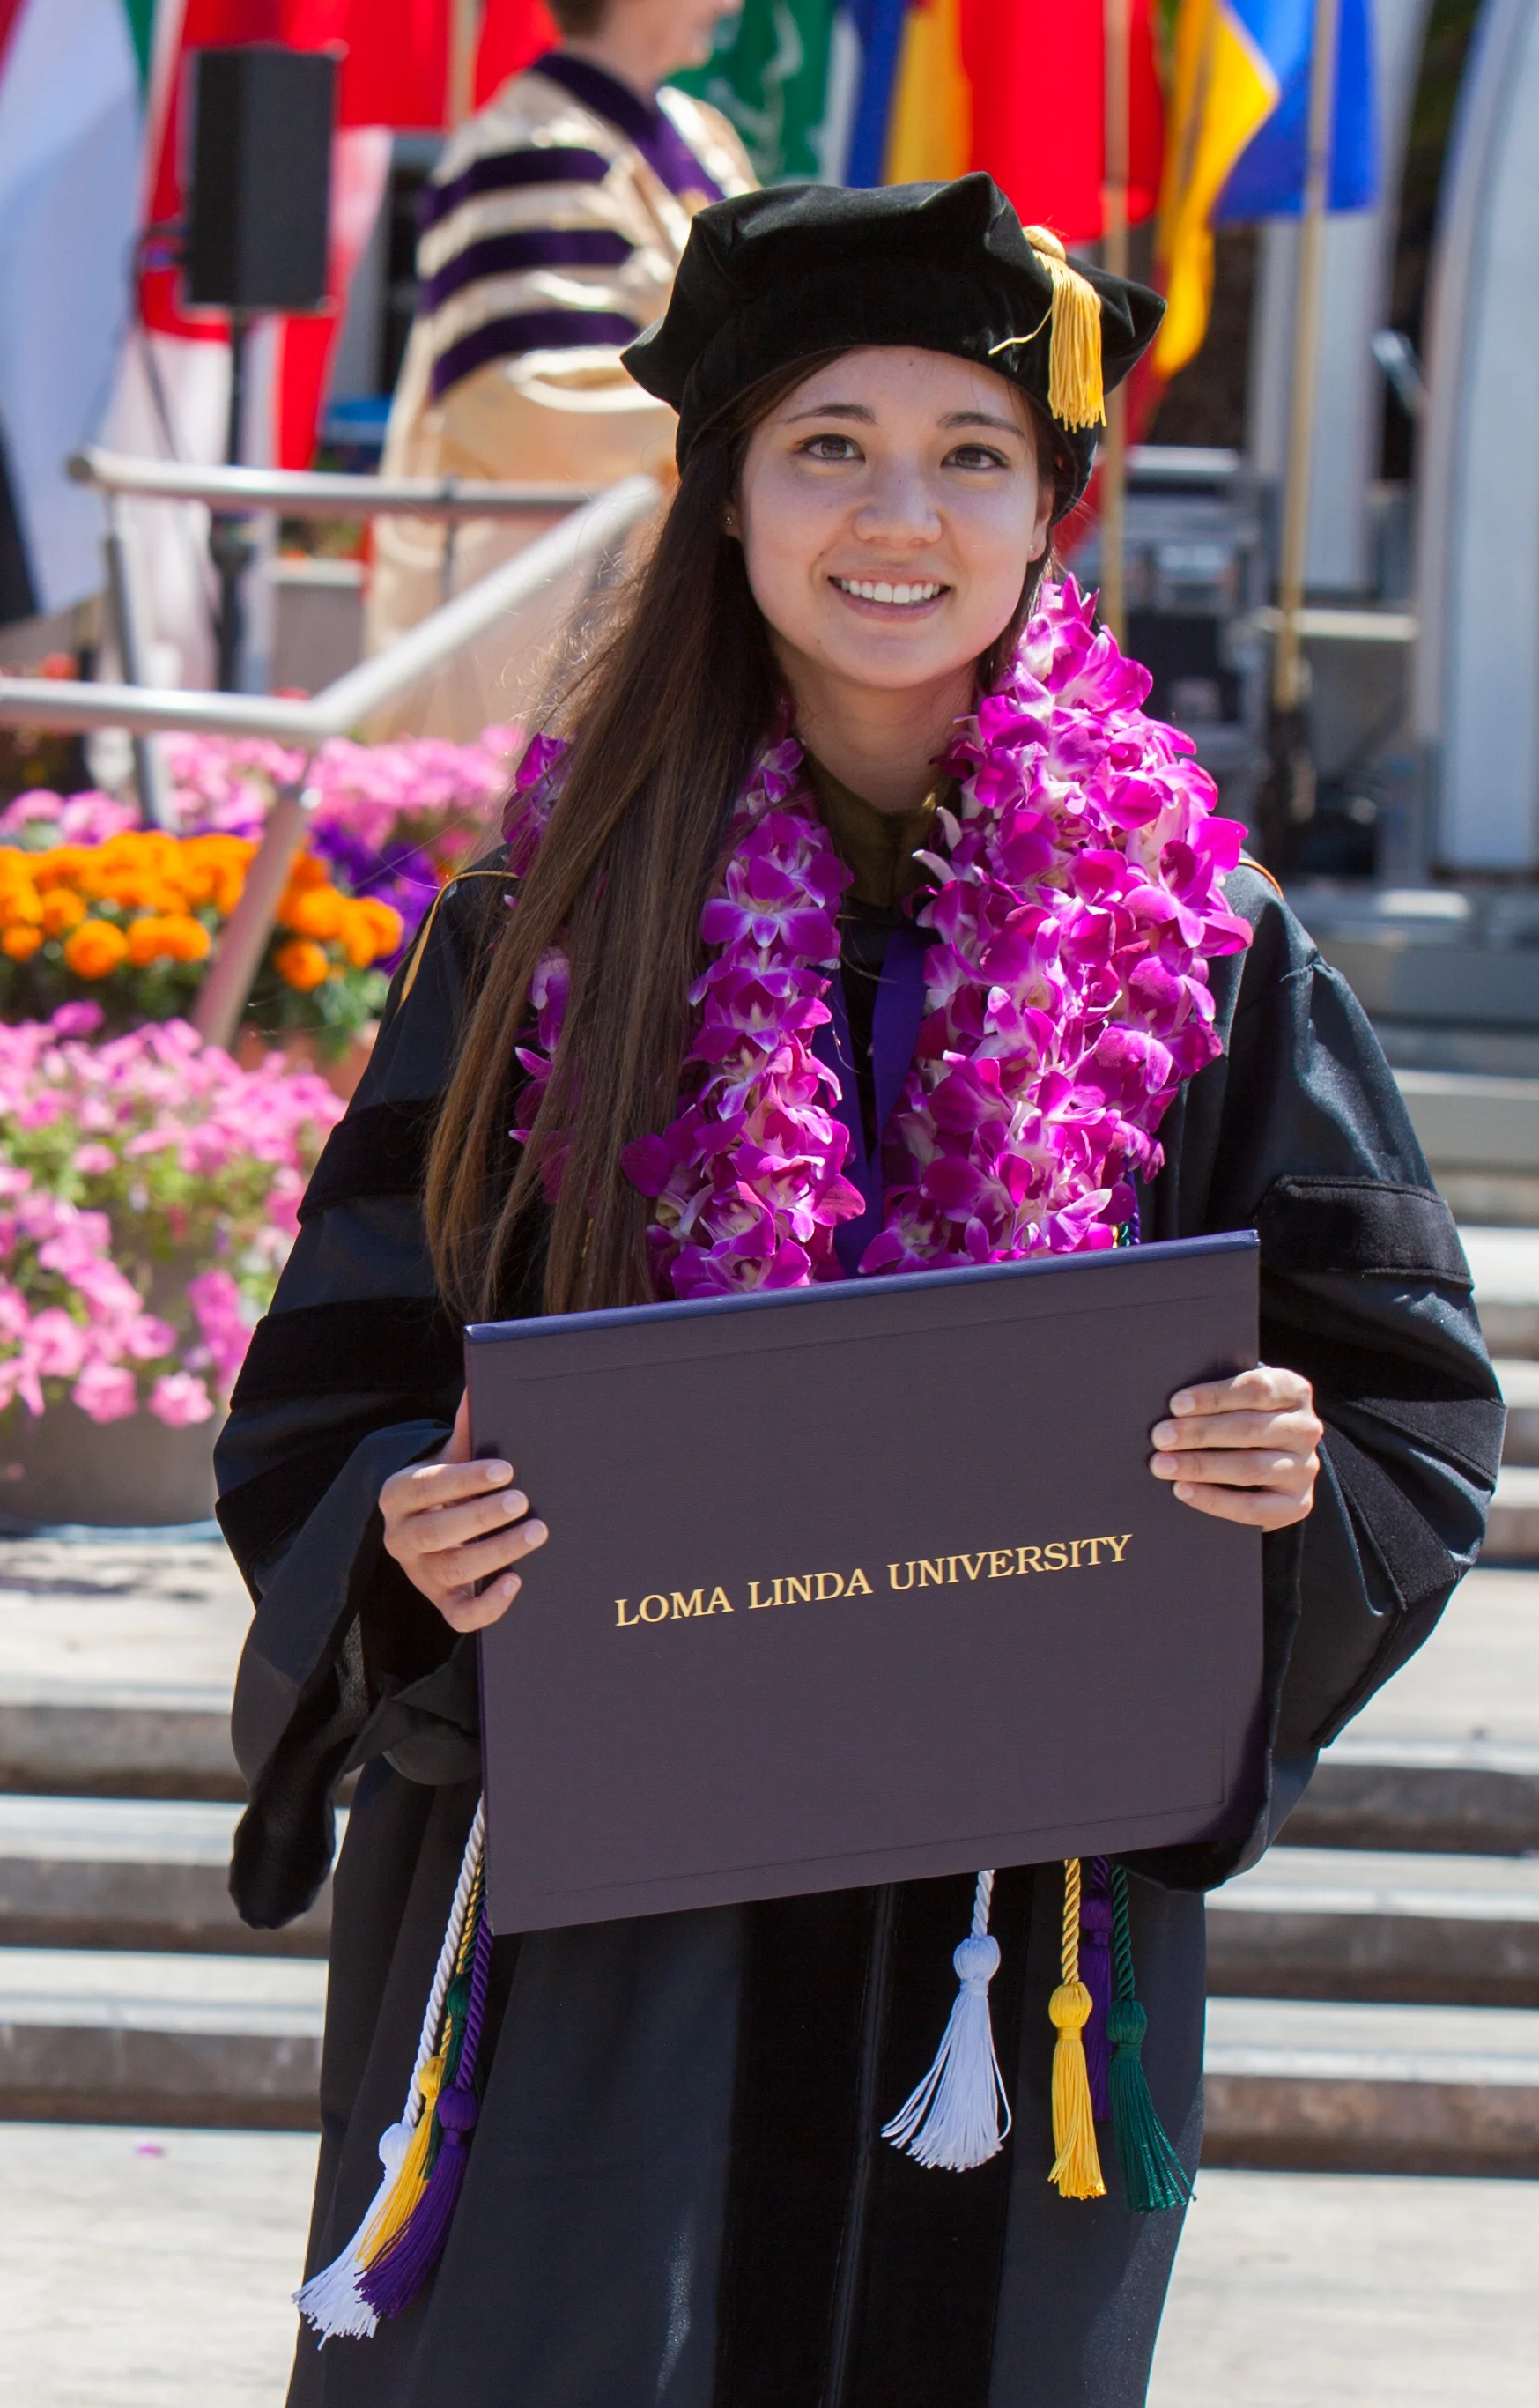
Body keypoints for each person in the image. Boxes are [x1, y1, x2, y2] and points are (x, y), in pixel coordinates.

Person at [218, 178, 1501, 2407]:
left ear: (1047, 510)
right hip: (606, 1929)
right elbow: (332, 1401)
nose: (897, 514)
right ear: (723, 493)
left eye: (968, 453)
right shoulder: (550, 930)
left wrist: (1281, 1473)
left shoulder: (1199, 946)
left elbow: (1398, 1401)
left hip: (1005, 1930)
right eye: (828, 443)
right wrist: (409, 1537)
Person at [366, 0, 752, 735]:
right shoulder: (530, 144)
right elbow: (534, 407)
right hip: (546, 607)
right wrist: (753, 424)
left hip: (674, 590)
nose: (732, 4)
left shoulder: (699, 136)